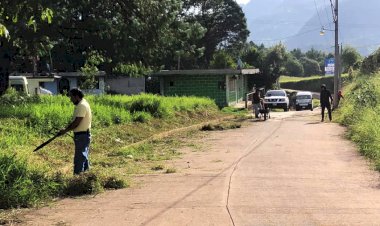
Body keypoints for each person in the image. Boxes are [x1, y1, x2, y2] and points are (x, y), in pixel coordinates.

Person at [59, 88, 92, 175]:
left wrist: (65, 130)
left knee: (79, 158)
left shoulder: (82, 106)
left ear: (76, 96)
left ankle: (77, 180)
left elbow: (77, 122)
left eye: (71, 97)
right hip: (82, 135)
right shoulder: (82, 103)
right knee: (84, 157)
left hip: (82, 135)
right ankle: (86, 177)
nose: (70, 99)